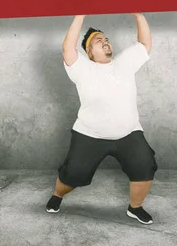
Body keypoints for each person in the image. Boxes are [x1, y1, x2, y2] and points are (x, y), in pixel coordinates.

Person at [45, 13, 158, 225]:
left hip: (129, 133)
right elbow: (68, 48)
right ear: (89, 51)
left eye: (106, 39)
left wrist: (137, 13)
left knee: (145, 166)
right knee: (73, 175)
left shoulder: (124, 62)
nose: (105, 41)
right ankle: (58, 195)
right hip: (90, 134)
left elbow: (144, 43)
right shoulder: (82, 68)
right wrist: (81, 13)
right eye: (99, 40)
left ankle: (135, 207)